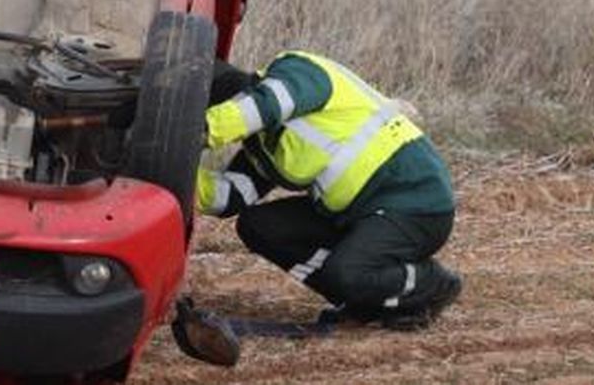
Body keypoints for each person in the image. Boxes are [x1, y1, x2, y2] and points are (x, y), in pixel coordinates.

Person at [195, 51, 461, 332]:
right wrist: (166, 176)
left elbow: (265, 105)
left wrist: (195, 131)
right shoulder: (261, 143)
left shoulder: (295, 72)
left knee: (347, 272)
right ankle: (364, 298)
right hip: (357, 214)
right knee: (258, 225)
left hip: (415, 199)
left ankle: (433, 285)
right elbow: (229, 197)